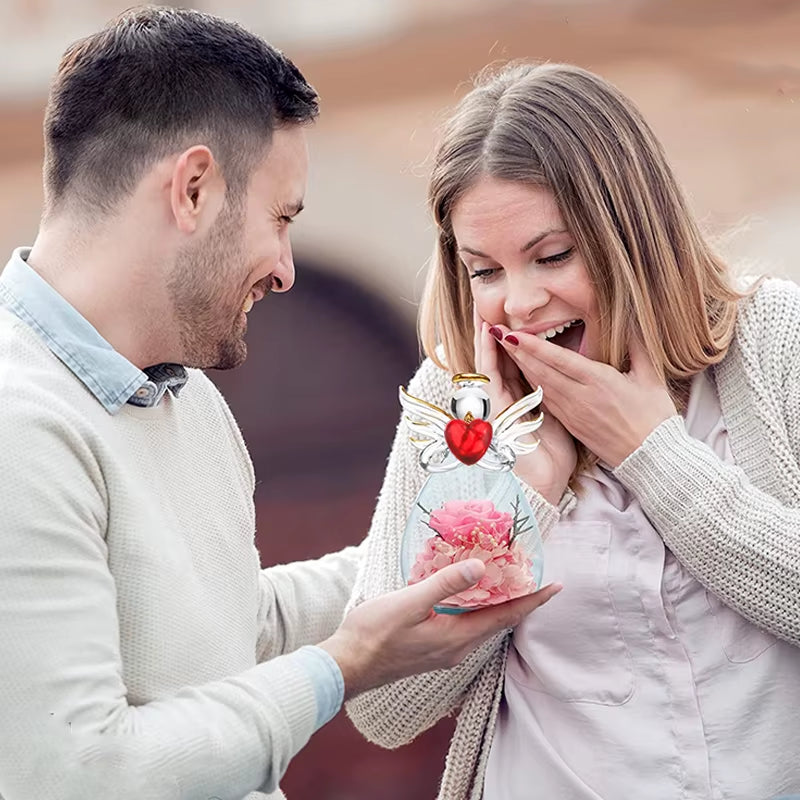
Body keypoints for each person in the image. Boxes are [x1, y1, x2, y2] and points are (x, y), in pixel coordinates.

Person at [0, 11, 562, 800]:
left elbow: (233, 631)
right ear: (192, 189)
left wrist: (459, 551)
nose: (286, 269)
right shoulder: (18, 427)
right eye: (282, 218)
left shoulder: (182, 393)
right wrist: (344, 667)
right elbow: (82, 775)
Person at [345, 61, 800, 800]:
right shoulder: (455, 400)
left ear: (635, 237)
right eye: (484, 270)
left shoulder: (775, 341)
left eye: (552, 256)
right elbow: (385, 705)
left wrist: (651, 455)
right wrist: (516, 498)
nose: (519, 302)